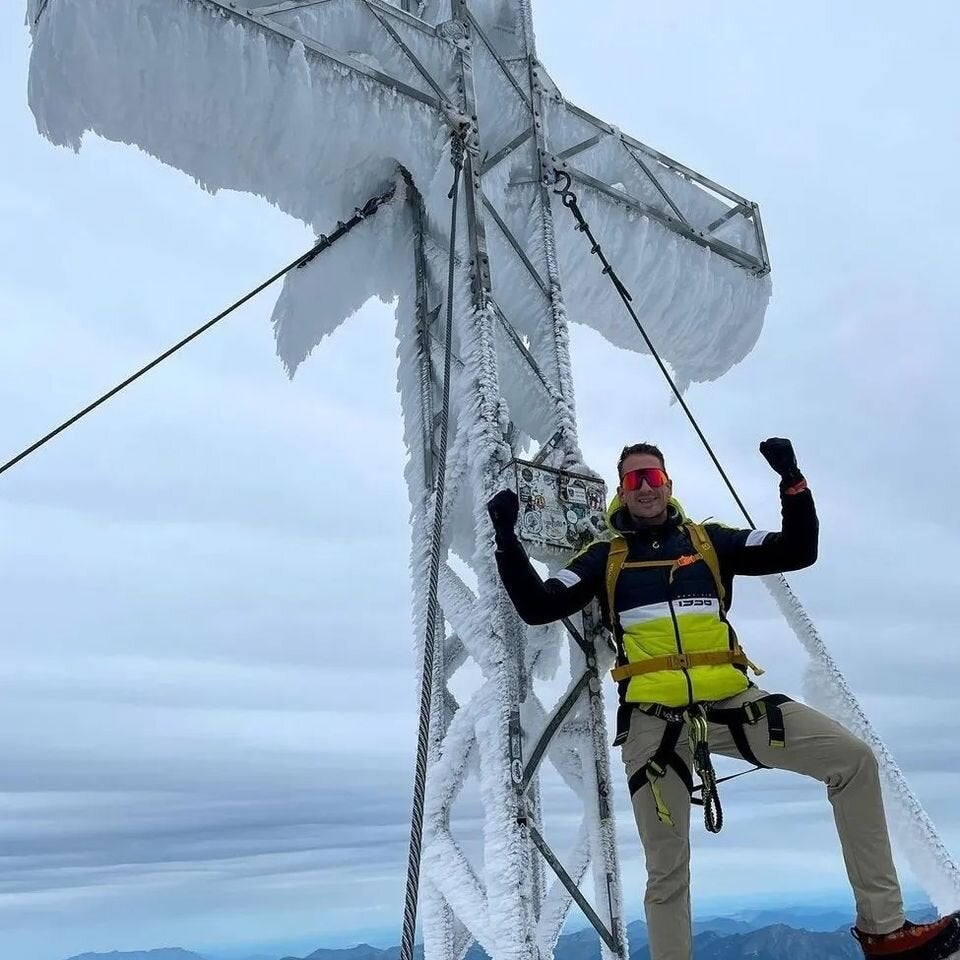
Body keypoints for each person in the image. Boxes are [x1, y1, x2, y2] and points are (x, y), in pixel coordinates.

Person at [487, 439, 960, 960]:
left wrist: (793, 483)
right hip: (654, 724)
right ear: (621, 490)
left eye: (653, 477)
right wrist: (506, 540)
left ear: (668, 484)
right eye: (634, 479)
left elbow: (797, 549)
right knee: (667, 868)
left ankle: (884, 931)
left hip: (735, 705)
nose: (645, 487)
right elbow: (539, 605)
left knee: (852, 760)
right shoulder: (604, 558)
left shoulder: (711, 542)